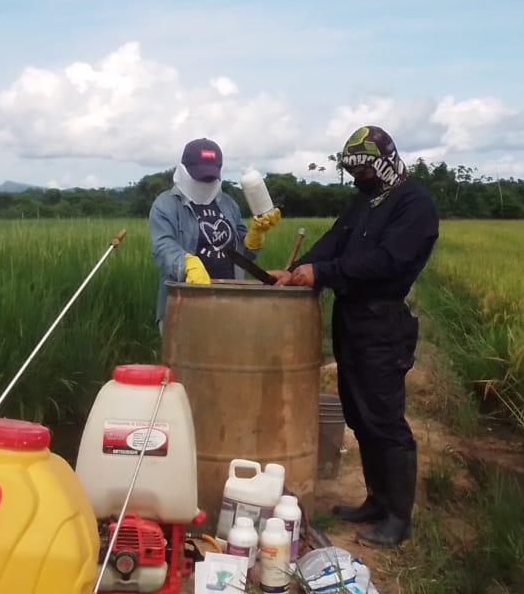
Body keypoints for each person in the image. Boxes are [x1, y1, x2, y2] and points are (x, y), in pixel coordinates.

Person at [267, 125, 439, 547]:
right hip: (351, 319)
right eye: (355, 171)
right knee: (359, 415)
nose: (359, 177)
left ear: (384, 162)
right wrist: (296, 271)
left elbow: (386, 260)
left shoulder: (414, 205)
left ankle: (398, 516)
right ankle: (377, 501)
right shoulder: (364, 201)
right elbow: (333, 242)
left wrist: (324, 273)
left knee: (384, 418)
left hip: (382, 323)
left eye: (364, 169)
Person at [149, 137, 281, 331]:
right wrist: (186, 263)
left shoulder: (227, 203)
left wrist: (254, 237)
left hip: (229, 302)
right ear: (184, 170)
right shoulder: (166, 205)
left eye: (210, 178)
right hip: (184, 305)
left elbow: (243, 256)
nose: (205, 182)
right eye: (200, 177)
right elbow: (162, 247)